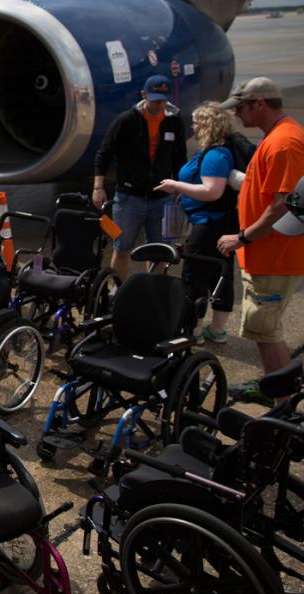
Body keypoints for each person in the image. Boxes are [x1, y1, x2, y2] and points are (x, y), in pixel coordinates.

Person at [216, 77, 304, 403]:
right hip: (266, 255)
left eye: (241, 107)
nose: (238, 114)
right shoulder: (276, 138)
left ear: (260, 103)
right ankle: (276, 392)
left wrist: (243, 237)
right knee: (263, 330)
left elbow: (283, 204)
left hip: (273, 256)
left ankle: (283, 406)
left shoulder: (284, 143)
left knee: (267, 332)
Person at [154, 102, 240, 343]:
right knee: (221, 275)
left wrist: (176, 186)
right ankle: (218, 329)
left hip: (207, 226)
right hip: (220, 224)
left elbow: (212, 191)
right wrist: (188, 191)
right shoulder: (220, 151)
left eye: (196, 122)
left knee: (194, 277)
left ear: (206, 125)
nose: (192, 126)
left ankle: (193, 330)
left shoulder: (215, 154)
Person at [93, 75, 188, 276]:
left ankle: (152, 292)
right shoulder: (126, 120)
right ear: (144, 95)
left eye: (163, 100)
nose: (160, 104)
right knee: (122, 247)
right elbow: (104, 153)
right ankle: (117, 292)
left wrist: (180, 187)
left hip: (162, 199)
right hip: (130, 198)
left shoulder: (174, 122)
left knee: (159, 252)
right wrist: (98, 187)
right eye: (155, 100)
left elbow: (180, 157)